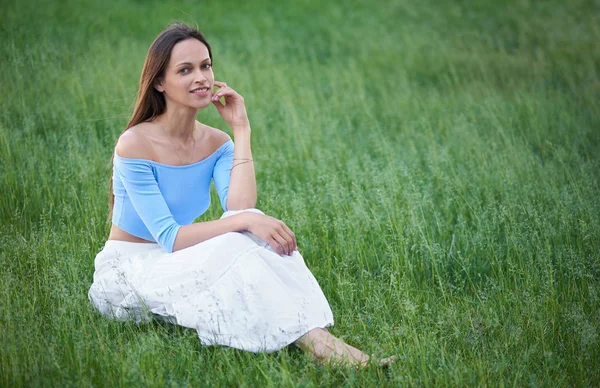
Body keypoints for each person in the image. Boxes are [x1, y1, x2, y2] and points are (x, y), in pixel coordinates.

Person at [88, 22, 395, 368]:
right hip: (129, 270)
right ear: (160, 82)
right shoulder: (134, 144)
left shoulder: (216, 144)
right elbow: (170, 237)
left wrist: (240, 129)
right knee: (244, 231)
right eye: (185, 70)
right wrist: (247, 221)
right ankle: (322, 348)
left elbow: (240, 207)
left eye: (206, 65)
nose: (201, 77)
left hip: (173, 260)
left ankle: (315, 337)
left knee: (252, 227)